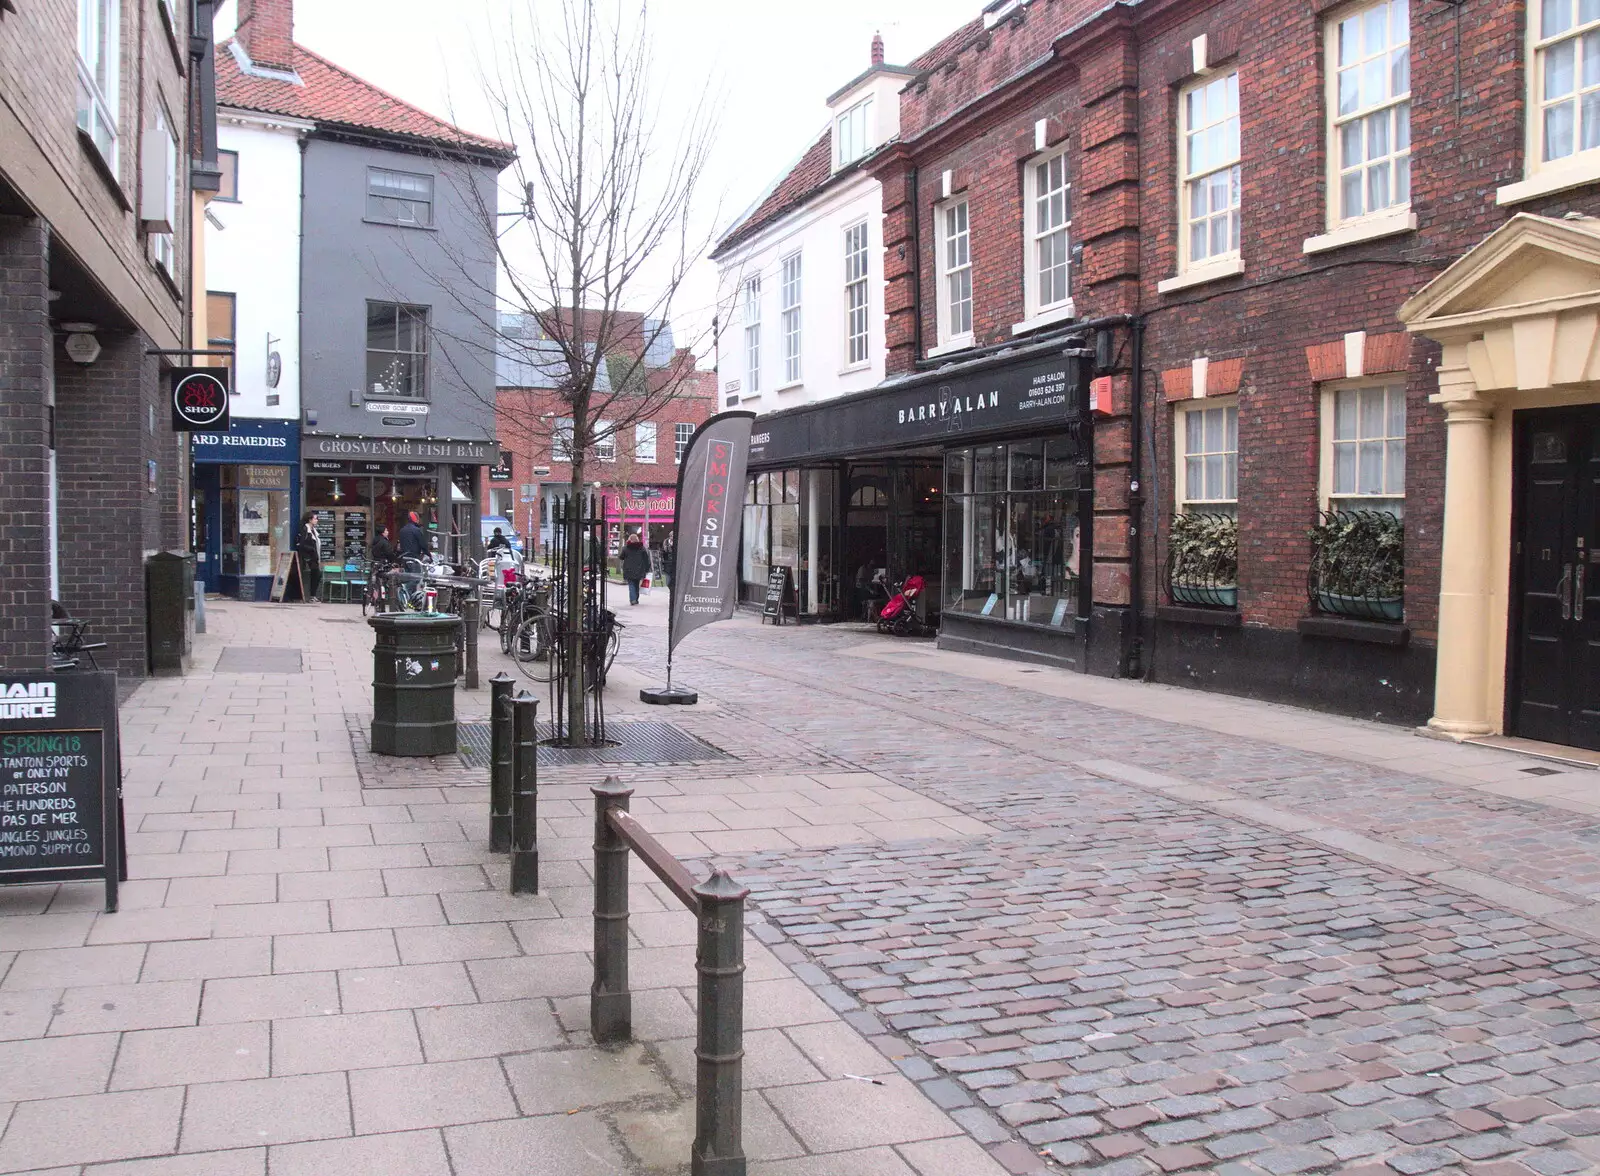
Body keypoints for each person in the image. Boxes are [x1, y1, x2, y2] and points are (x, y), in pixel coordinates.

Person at [297, 511, 323, 603]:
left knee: (316, 575)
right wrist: (311, 550)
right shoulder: (305, 529)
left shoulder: (313, 530)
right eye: (315, 518)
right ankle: (312, 596)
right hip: (309, 557)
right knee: (316, 574)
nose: (317, 520)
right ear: (310, 519)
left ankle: (313, 595)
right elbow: (302, 544)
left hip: (314, 557)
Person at [620, 532, 651, 606]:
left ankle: (633, 599)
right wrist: (647, 568)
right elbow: (646, 559)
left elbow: (621, 557)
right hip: (639, 569)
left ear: (629, 540)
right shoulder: (642, 548)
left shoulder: (626, 548)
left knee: (631, 585)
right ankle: (636, 599)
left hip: (628, 569)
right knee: (637, 585)